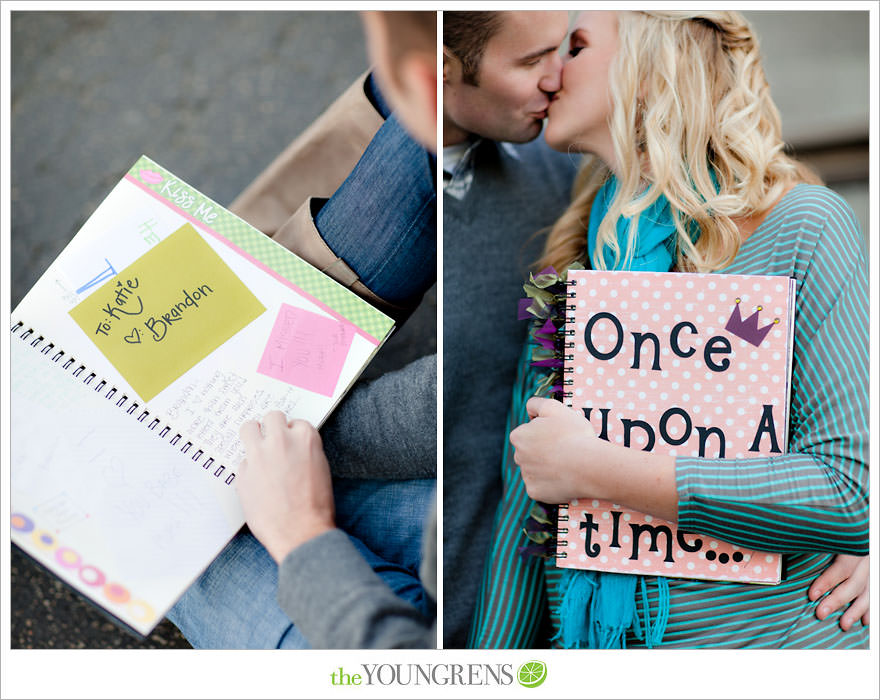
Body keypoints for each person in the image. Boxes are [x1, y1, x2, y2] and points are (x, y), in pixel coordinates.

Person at [470, 10, 869, 648]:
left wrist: (603, 470)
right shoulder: (576, 263)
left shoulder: (800, 226)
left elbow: (850, 493)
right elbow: (526, 514)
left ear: (651, 65)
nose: (551, 73)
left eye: (575, 46)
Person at [169, 11, 439, 648]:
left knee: (168, 529)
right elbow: (499, 388)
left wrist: (301, 531)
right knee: (425, 106)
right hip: (540, 512)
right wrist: (301, 434)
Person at [441, 10, 580, 647]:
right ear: (443, 71)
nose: (559, 78)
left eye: (565, 48)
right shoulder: (340, 204)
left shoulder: (563, 167)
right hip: (440, 607)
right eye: (531, 62)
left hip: (555, 597)